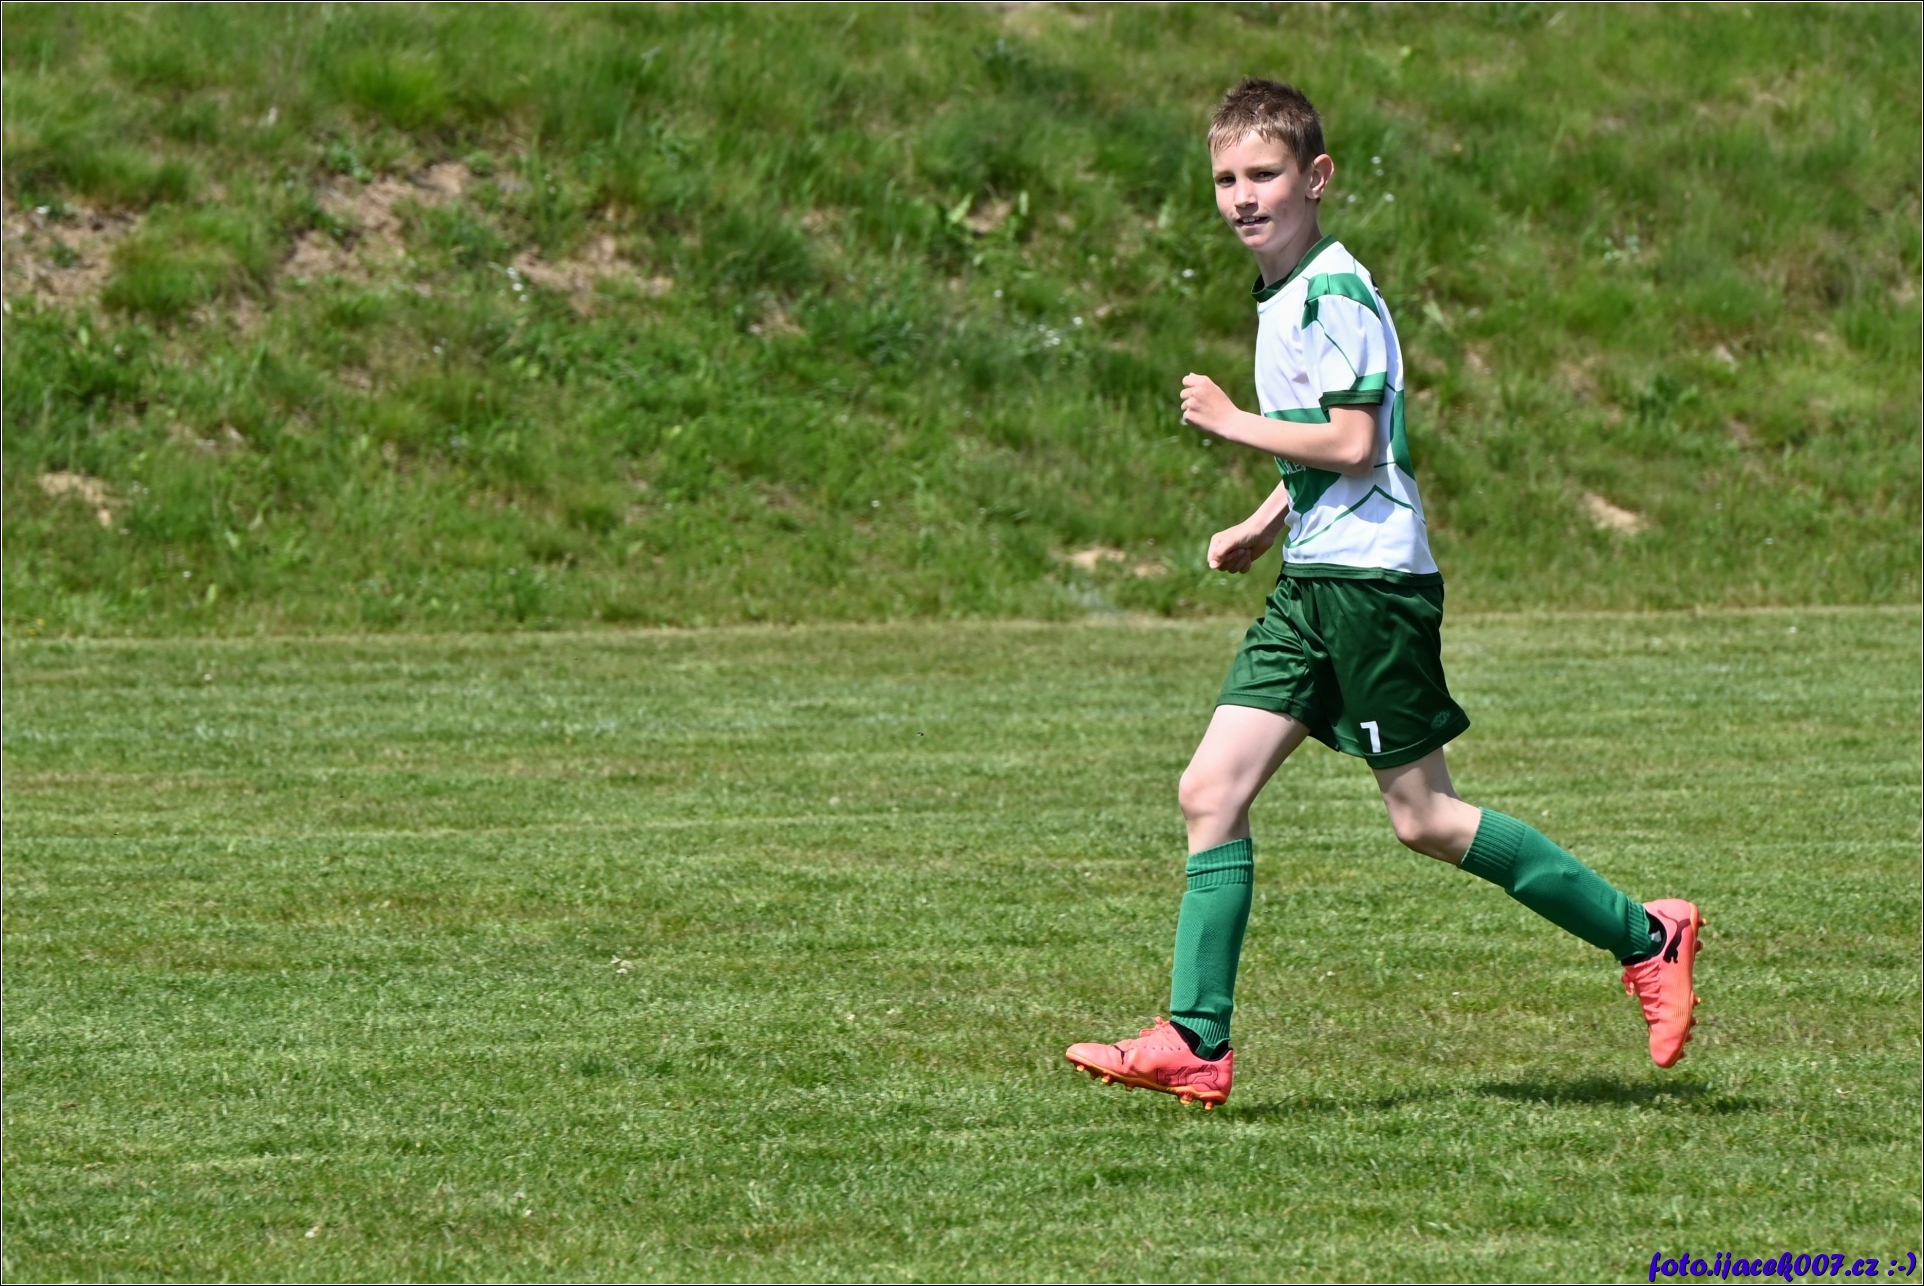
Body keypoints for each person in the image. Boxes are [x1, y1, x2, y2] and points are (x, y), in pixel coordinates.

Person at [1065, 79, 1702, 1109]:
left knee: (1424, 817)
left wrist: (1232, 424)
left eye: (1264, 173)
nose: (1242, 195)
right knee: (1209, 791)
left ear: (1315, 177)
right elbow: (1332, 445)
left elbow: (1357, 443)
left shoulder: (1336, 293)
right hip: (1314, 583)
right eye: (1225, 178)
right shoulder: (1283, 293)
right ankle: (1195, 1038)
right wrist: (1265, 520)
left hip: (1374, 589)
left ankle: (1646, 934)